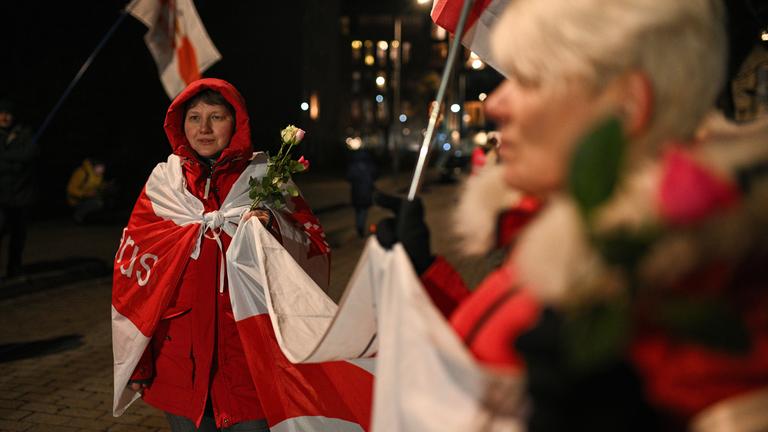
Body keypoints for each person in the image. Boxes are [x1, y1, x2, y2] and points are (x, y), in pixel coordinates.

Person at [378, 0, 768, 430]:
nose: (495, 104)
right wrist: (423, 281)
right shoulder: (554, 235)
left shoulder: (692, 301)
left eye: (528, 80)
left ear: (627, 106)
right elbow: (475, 365)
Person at [119, 79, 323, 431]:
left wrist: (272, 225)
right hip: (178, 361)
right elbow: (135, 280)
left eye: (217, 117)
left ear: (237, 121)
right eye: (194, 117)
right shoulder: (164, 184)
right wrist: (138, 362)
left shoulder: (267, 178)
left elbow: (313, 246)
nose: (204, 128)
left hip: (251, 361)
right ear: (180, 124)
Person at [0, 97, 38, 281]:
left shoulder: (24, 132)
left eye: (8, 114)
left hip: (21, 195)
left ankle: (14, 269)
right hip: (1, 195)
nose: (5, 117)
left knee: (18, 236)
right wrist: (14, 163)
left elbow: (29, 155)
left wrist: (8, 159)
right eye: (1, 114)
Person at [346, 148, 378, 237]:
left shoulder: (353, 165)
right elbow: (375, 175)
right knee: (363, 211)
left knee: (358, 210)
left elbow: (348, 177)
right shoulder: (370, 165)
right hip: (367, 191)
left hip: (356, 191)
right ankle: (360, 227)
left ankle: (359, 226)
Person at [66, 158, 108, 223]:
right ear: (93, 166)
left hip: (88, 198)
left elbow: (95, 187)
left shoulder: (99, 175)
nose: (102, 170)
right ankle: (77, 216)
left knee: (104, 199)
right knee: (97, 203)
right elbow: (70, 189)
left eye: (103, 168)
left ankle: (89, 219)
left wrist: (105, 186)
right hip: (76, 199)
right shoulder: (82, 172)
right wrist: (84, 194)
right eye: (99, 167)